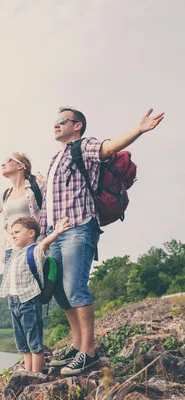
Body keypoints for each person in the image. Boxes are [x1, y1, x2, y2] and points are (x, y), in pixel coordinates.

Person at [41, 107, 165, 376]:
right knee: (59, 292)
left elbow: (109, 148)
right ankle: (76, 346)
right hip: (56, 235)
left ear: (77, 126)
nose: (56, 125)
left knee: (75, 288)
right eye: (55, 121)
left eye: (62, 120)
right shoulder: (54, 159)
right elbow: (47, 205)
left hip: (78, 228)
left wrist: (138, 130)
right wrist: (43, 238)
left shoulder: (82, 146)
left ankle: (89, 352)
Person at [1, 216, 69, 372]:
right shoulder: (15, 252)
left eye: (17, 232)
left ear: (31, 233)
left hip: (29, 302)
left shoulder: (35, 251)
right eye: (13, 233)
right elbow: (10, 239)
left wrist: (57, 232)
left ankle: (36, 375)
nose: (14, 235)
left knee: (34, 342)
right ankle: (28, 373)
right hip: (13, 302)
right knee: (23, 343)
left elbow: (45, 243)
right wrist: (5, 231)